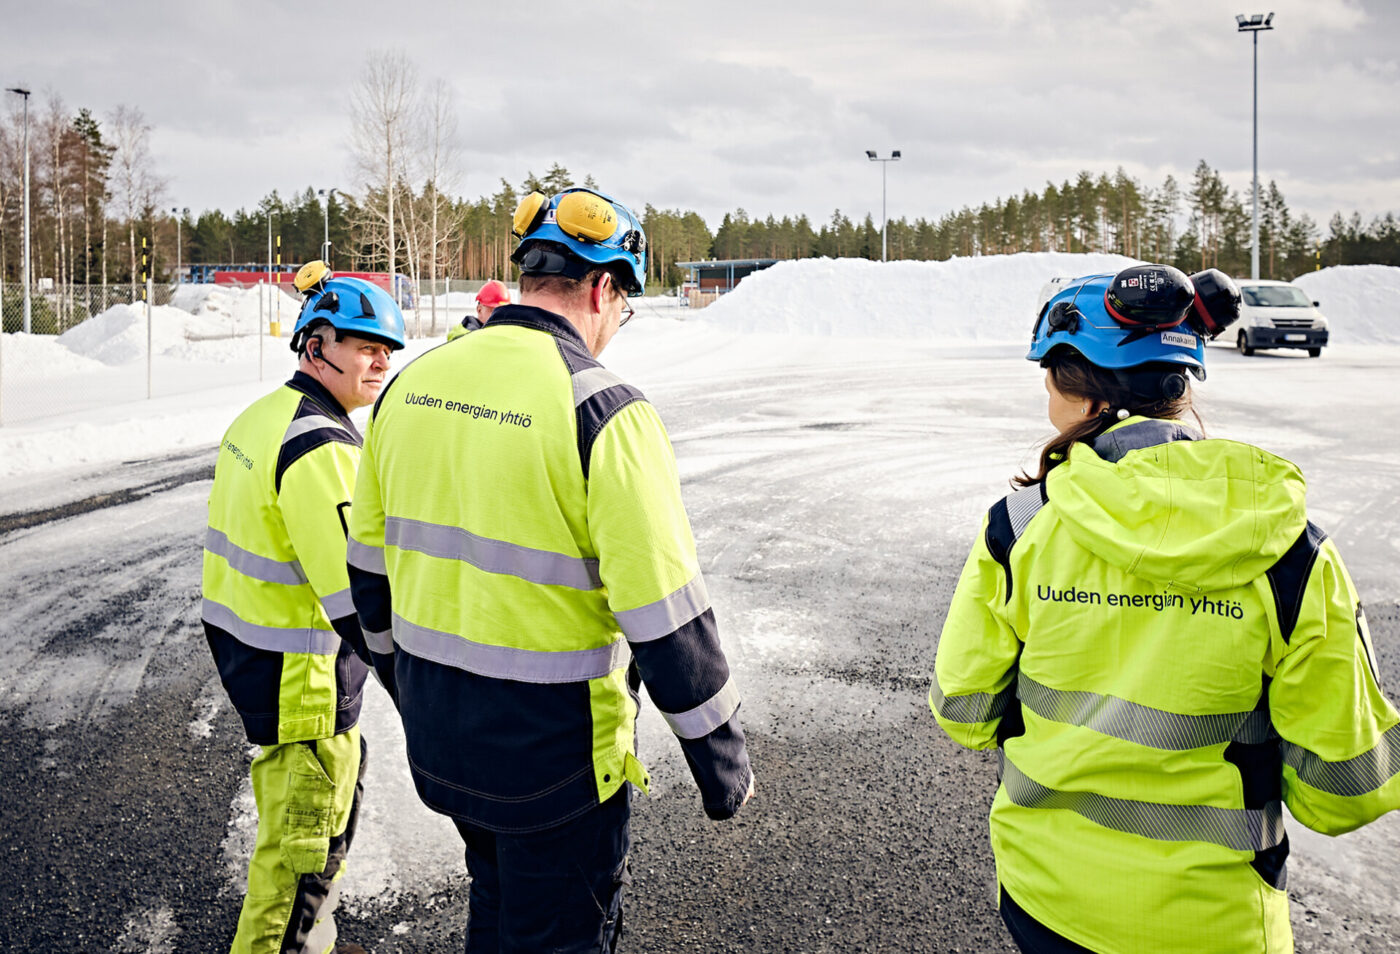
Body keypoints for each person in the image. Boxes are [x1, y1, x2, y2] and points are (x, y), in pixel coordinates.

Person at [929, 263, 1400, 954]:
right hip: (1214, 923)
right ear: (1183, 384)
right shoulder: (1290, 551)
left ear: (1070, 388)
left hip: (1046, 899)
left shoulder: (1020, 529)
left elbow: (965, 711)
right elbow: (1345, 791)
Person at [346, 187, 754, 952]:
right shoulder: (601, 408)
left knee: (496, 907)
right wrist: (721, 764)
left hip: (443, 742)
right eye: (622, 308)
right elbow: (666, 614)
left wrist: (412, 689)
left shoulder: (409, 388)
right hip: (557, 767)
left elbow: (367, 576)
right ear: (604, 290)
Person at [201, 260, 405, 954]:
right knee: (300, 859)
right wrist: (416, 687)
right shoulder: (321, 444)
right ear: (316, 344)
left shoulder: (263, 417)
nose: (378, 362)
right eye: (362, 345)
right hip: (304, 677)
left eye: (387, 351)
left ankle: (312, 942)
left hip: (257, 660)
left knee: (303, 829)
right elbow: (357, 596)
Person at [447, 278, 511, 341]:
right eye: (494, 312)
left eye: (503, 313)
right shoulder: (464, 339)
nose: (499, 318)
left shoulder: (504, 336)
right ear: (479, 310)